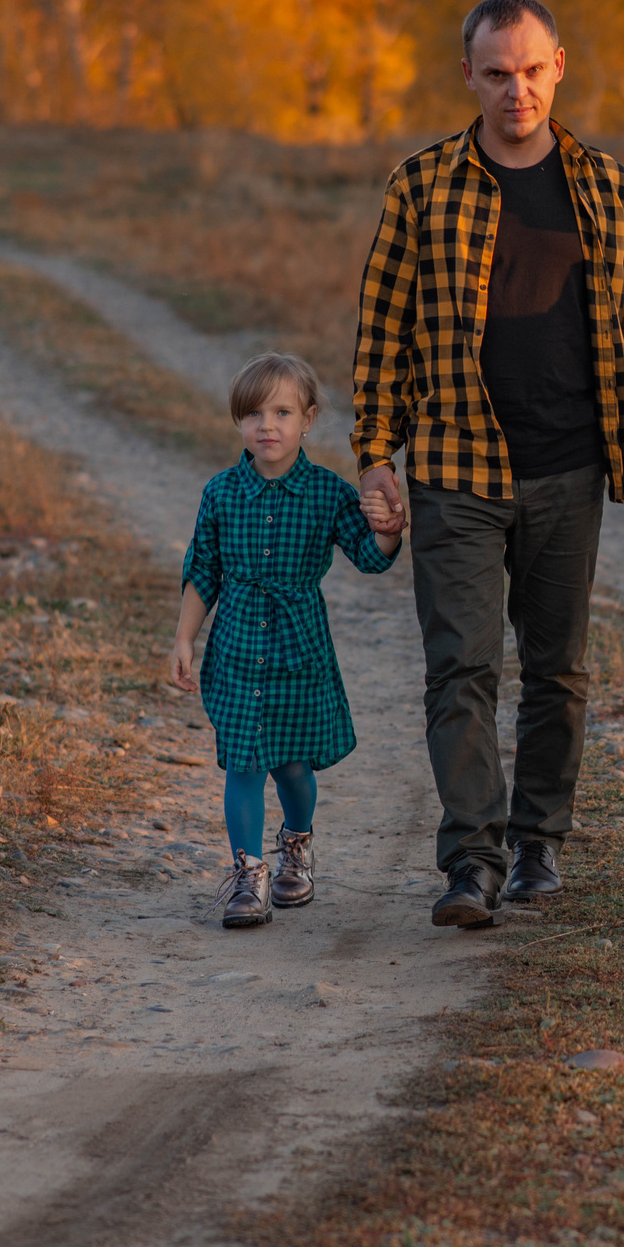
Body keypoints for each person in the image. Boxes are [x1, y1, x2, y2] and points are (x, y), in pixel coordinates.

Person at [350, 0, 624, 931]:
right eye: (497, 73)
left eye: (531, 69)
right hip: (455, 469)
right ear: (467, 77)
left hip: (568, 469)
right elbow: (383, 330)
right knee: (460, 666)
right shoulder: (422, 185)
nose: (517, 90)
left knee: (558, 668)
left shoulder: (607, 188)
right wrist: (373, 455)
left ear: (560, 66)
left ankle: (538, 845)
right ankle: (472, 857)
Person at [171, 353, 402, 928]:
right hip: (236, 648)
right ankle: (249, 874)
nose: (266, 426)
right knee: (243, 761)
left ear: (308, 419)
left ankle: (295, 844)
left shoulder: (327, 493)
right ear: (238, 424)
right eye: (253, 414)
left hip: (300, 650)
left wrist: (391, 531)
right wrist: (184, 640)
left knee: (294, 767)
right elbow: (203, 572)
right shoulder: (221, 493)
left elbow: (371, 560)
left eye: (281, 412)